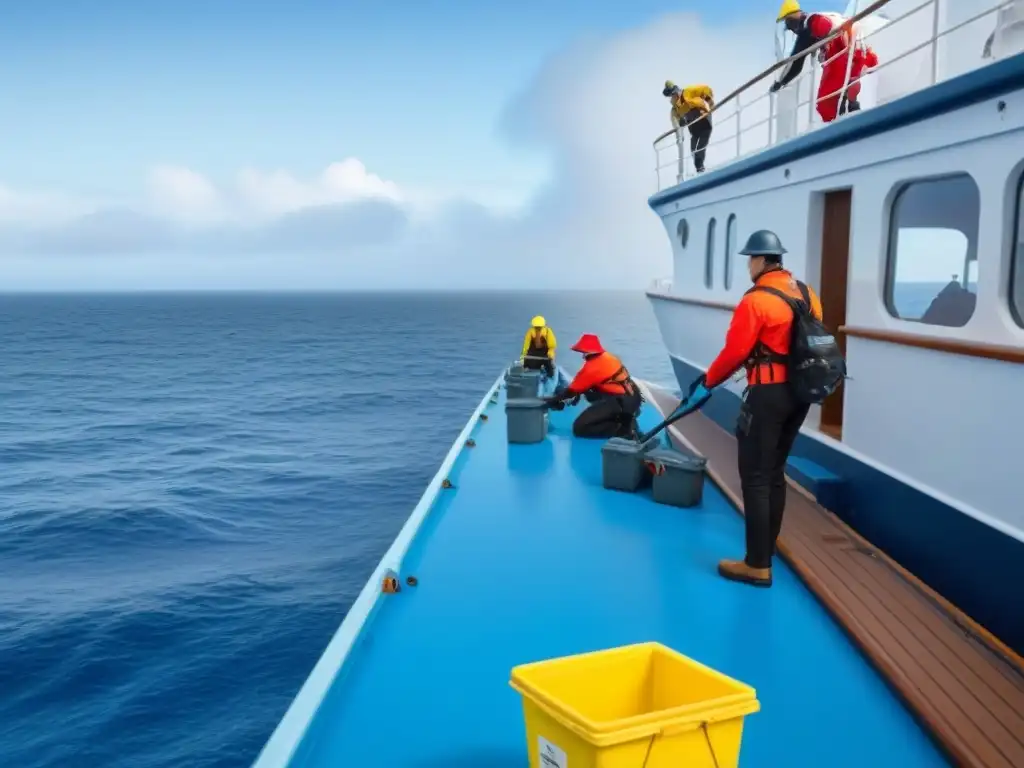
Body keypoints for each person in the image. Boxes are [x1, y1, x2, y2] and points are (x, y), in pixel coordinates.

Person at [683, 230, 823, 587]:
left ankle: (757, 565)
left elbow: (735, 352)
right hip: (801, 394)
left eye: (750, 259)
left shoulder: (756, 300)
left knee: (755, 477)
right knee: (775, 472)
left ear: (761, 261)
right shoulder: (807, 294)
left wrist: (709, 380)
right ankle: (767, 546)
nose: (749, 265)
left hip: (768, 395)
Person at [771, 0, 879, 124]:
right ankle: (851, 112)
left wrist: (780, 82)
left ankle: (843, 123)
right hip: (859, 49)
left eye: (788, 24)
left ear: (792, 19)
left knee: (825, 103)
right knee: (844, 89)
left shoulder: (810, 24)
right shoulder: (826, 17)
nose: (790, 29)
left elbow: (796, 61)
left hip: (842, 53)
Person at [544, 333, 641, 439]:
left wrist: (553, 400)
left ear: (588, 352)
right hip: (633, 396)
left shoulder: (591, 368)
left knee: (580, 427)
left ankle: (624, 429)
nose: (582, 355)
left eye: (583, 352)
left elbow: (570, 391)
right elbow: (586, 386)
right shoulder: (608, 357)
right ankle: (625, 417)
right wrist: (578, 393)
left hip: (621, 401)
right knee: (590, 393)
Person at [663, 80, 714, 174]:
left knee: (702, 140)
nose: (674, 97)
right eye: (672, 95)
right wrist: (679, 133)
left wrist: (710, 102)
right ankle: (700, 168)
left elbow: (705, 89)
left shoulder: (688, 92)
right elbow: (675, 122)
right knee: (693, 147)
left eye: (674, 94)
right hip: (693, 124)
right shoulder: (675, 109)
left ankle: (699, 165)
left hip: (703, 118)